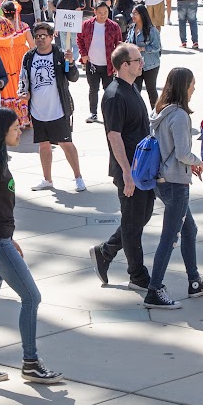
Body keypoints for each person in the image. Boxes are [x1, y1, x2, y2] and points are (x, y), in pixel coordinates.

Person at [0, 107, 64, 384]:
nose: (20, 131)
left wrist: (8, 238)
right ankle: (31, 363)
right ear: (1, 131)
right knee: (31, 297)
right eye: (15, 127)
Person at [145, 67, 203, 309]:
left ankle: (194, 282)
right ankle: (154, 290)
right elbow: (183, 153)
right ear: (183, 86)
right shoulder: (179, 116)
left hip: (162, 180)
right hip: (176, 183)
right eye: (192, 84)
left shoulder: (160, 111)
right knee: (169, 237)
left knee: (189, 230)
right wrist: (200, 162)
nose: (194, 88)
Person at [89, 43, 155, 293]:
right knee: (132, 222)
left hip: (143, 168)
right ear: (125, 65)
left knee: (141, 217)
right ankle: (137, 275)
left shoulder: (132, 87)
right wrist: (127, 172)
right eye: (138, 60)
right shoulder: (114, 95)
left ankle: (105, 252)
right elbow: (114, 136)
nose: (142, 63)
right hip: (130, 170)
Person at [19, 23, 85, 192]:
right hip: (38, 111)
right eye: (37, 36)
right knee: (44, 145)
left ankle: (78, 177)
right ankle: (47, 179)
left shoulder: (60, 55)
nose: (40, 39)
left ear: (51, 37)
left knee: (66, 144)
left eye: (43, 36)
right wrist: (24, 92)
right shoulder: (29, 57)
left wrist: (70, 63)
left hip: (58, 110)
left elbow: (73, 77)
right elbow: (23, 78)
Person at [79, 0, 122, 123]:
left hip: (108, 65)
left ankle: (109, 113)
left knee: (109, 90)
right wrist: (83, 54)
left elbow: (119, 45)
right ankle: (93, 113)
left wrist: (117, 64)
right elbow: (80, 39)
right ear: (95, 12)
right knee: (93, 89)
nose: (103, 15)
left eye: (105, 13)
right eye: (100, 13)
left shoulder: (114, 26)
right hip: (92, 64)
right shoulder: (87, 25)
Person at [127, 5, 162, 108]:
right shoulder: (132, 28)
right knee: (135, 90)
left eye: (135, 14)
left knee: (151, 89)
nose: (133, 16)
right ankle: (137, 112)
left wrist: (142, 48)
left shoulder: (152, 30)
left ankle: (156, 112)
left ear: (142, 15)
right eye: (132, 13)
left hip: (150, 65)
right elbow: (128, 41)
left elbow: (157, 47)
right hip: (135, 65)